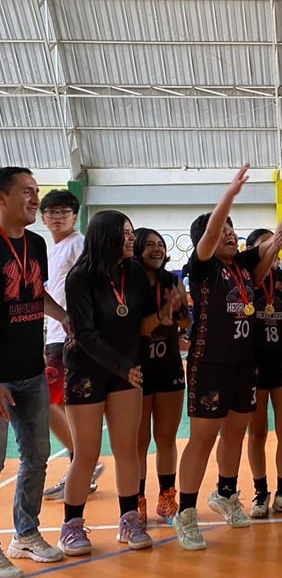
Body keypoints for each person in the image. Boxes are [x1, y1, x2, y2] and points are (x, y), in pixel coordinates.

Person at [59, 210, 179, 556]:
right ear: (106, 236)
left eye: (131, 232)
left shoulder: (135, 273)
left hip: (127, 371)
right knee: (86, 453)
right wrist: (123, 366)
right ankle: (71, 527)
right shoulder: (80, 277)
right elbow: (84, 334)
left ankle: (129, 520)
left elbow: (142, 323)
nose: (131, 238)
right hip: (87, 369)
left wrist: (167, 313)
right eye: (125, 233)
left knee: (127, 448)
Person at [171, 165, 277, 551]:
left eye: (233, 229)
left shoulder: (245, 268)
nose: (229, 234)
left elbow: (277, 240)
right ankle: (185, 513)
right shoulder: (202, 268)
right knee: (202, 438)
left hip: (244, 364)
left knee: (235, 433)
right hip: (210, 363)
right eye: (223, 231)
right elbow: (211, 233)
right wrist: (229, 195)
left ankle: (226, 494)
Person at [0, 167, 68, 577]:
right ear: (2, 198)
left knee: (36, 457)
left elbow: (36, 293)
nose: (35, 199)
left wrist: (67, 319)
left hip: (31, 370)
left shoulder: (37, 244)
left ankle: (25, 534)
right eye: (26, 192)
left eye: (36, 191)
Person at [39, 190, 104, 501]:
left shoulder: (78, 245)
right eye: (51, 212)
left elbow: (94, 286)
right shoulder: (52, 250)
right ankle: (81, 466)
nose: (57, 217)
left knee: (46, 402)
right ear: (42, 217)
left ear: (75, 216)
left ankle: (83, 463)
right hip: (55, 336)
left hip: (69, 336)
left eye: (64, 211)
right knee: (64, 405)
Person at [242, 213, 282, 520]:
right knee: (257, 432)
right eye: (266, 244)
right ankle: (260, 491)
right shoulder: (247, 278)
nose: (273, 248)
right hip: (253, 364)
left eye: (275, 244)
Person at [133, 228, 191, 525]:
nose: (157, 249)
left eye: (160, 244)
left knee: (166, 437)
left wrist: (178, 310)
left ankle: (167, 498)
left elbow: (185, 322)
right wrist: (163, 312)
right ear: (137, 248)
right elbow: (139, 328)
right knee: (139, 441)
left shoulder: (172, 280)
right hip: (137, 369)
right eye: (150, 244)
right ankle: (137, 500)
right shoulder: (128, 282)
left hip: (168, 365)